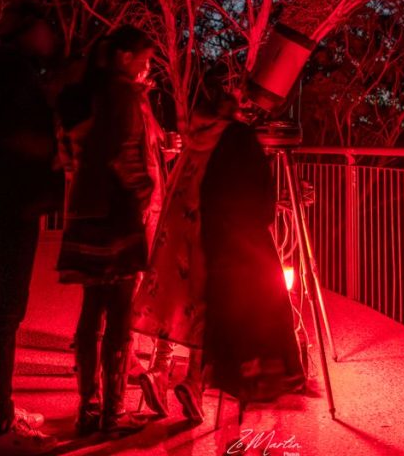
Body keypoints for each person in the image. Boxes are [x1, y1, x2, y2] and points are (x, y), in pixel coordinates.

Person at [132, 73, 303, 424]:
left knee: (175, 307)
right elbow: (249, 196)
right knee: (202, 310)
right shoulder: (230, 138)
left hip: (177, 227)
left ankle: (160, 371)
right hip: (209, 234)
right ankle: (194, 382)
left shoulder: (195, 135)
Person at [0, 2, 65, 455]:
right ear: (29, 29)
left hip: (2, 195)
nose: (52, 38)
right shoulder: (11, 69)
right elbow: (15, 134)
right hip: (12, 197)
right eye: (47, 29)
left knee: (3, 310)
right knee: (5, 312)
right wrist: (55, 153)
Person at [56, 26, 157, 436]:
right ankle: (113, 415)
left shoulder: (80, 92)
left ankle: (87, 408)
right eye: (144, 58)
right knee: (119, 315)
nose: (147, 67)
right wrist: (145, 189)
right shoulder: (122, 95)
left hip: (85, 210)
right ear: (124, 56)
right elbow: (126, 152)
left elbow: (66, 152)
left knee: (90, 309)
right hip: (117, 212)